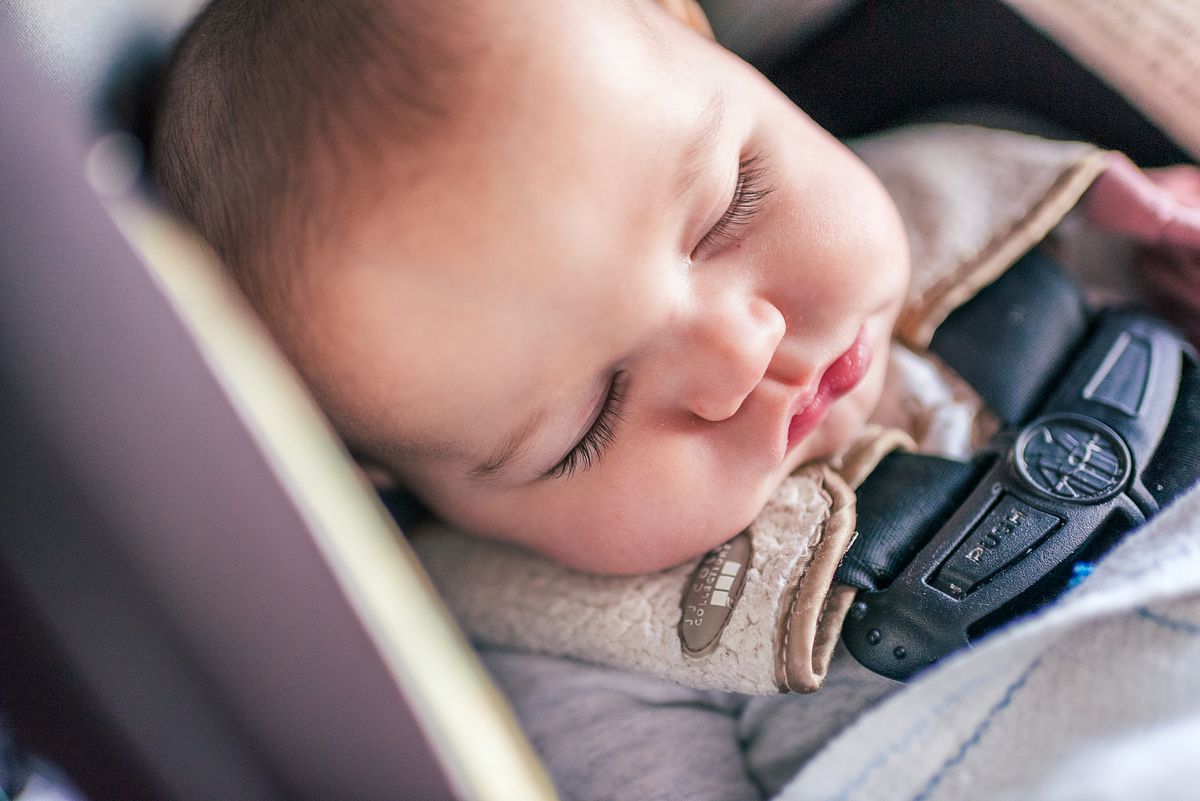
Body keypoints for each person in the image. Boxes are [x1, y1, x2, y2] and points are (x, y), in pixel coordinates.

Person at [150, 1, 1200, 798]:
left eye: (728, 208)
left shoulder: (1021, 195)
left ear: (706, 37)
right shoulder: (570, 654)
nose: (740, 353)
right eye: (590, 418)